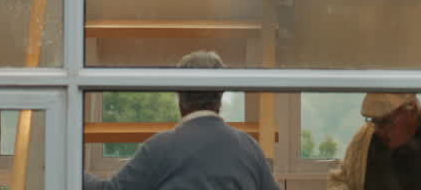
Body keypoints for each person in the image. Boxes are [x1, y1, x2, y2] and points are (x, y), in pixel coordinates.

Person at [84, 51, 279, 190]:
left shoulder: (161, 148)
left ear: (180, 96)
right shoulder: (249, 148)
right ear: (220, 96)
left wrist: (61, 167)